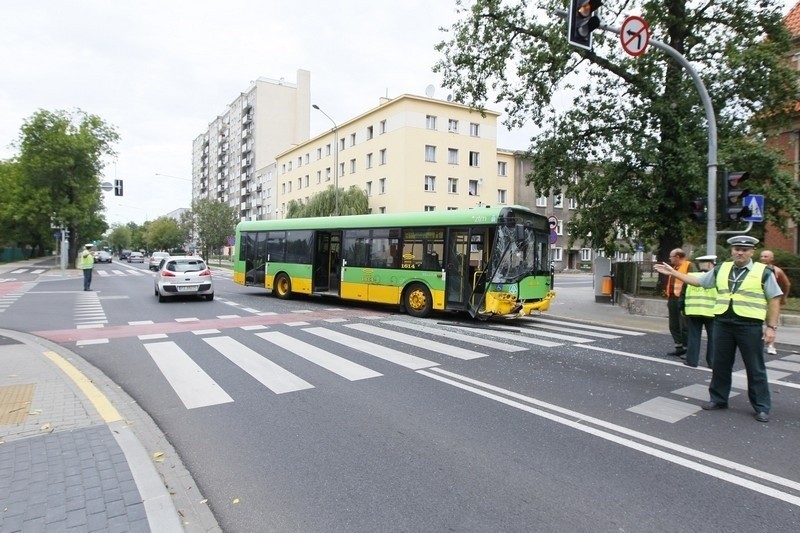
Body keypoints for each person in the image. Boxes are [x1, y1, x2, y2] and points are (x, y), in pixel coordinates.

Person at [654, 236, 783, 423]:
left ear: (752, 252)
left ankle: (762, 407)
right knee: (720, 364)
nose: (740, 252)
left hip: (749, 325)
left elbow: (775, 298)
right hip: (723, 322)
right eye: (737, 249)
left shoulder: (762, 272)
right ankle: (718, 399)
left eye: (744, 250)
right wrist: (673, 273)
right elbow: (699, 282)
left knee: (755, 368)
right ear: (731, 251)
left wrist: (771, 327)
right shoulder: (722, 268)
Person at [680, 255, 717, 368]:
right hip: (712, 312)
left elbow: (682, 295)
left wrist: (681, 309)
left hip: (693, 311)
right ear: (711, 264)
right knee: (713, 338)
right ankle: (712, 362)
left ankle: (692, 360)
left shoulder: (691, 276)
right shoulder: (716, 277)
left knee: (694, 336)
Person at [759, 249, 791, 355]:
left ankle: (771, 345)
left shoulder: (777, 271)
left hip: (771, 300)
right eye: (762, 256)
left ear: (772, 259)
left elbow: (787, 284)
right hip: (758, 299)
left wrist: (784, 297)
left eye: (766, 256)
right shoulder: (755, 269)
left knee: (771, 323)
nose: (763, 258)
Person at [665, 248, 692, 356]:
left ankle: (688, 349)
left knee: (684, 326)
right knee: (673, 325)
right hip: (672, 298)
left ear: (677, 257)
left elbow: (691, 281)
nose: (670, 259)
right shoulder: (675, 267)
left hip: (682, 299)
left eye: (671, 257)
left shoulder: (689, 266)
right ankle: (679, 347)